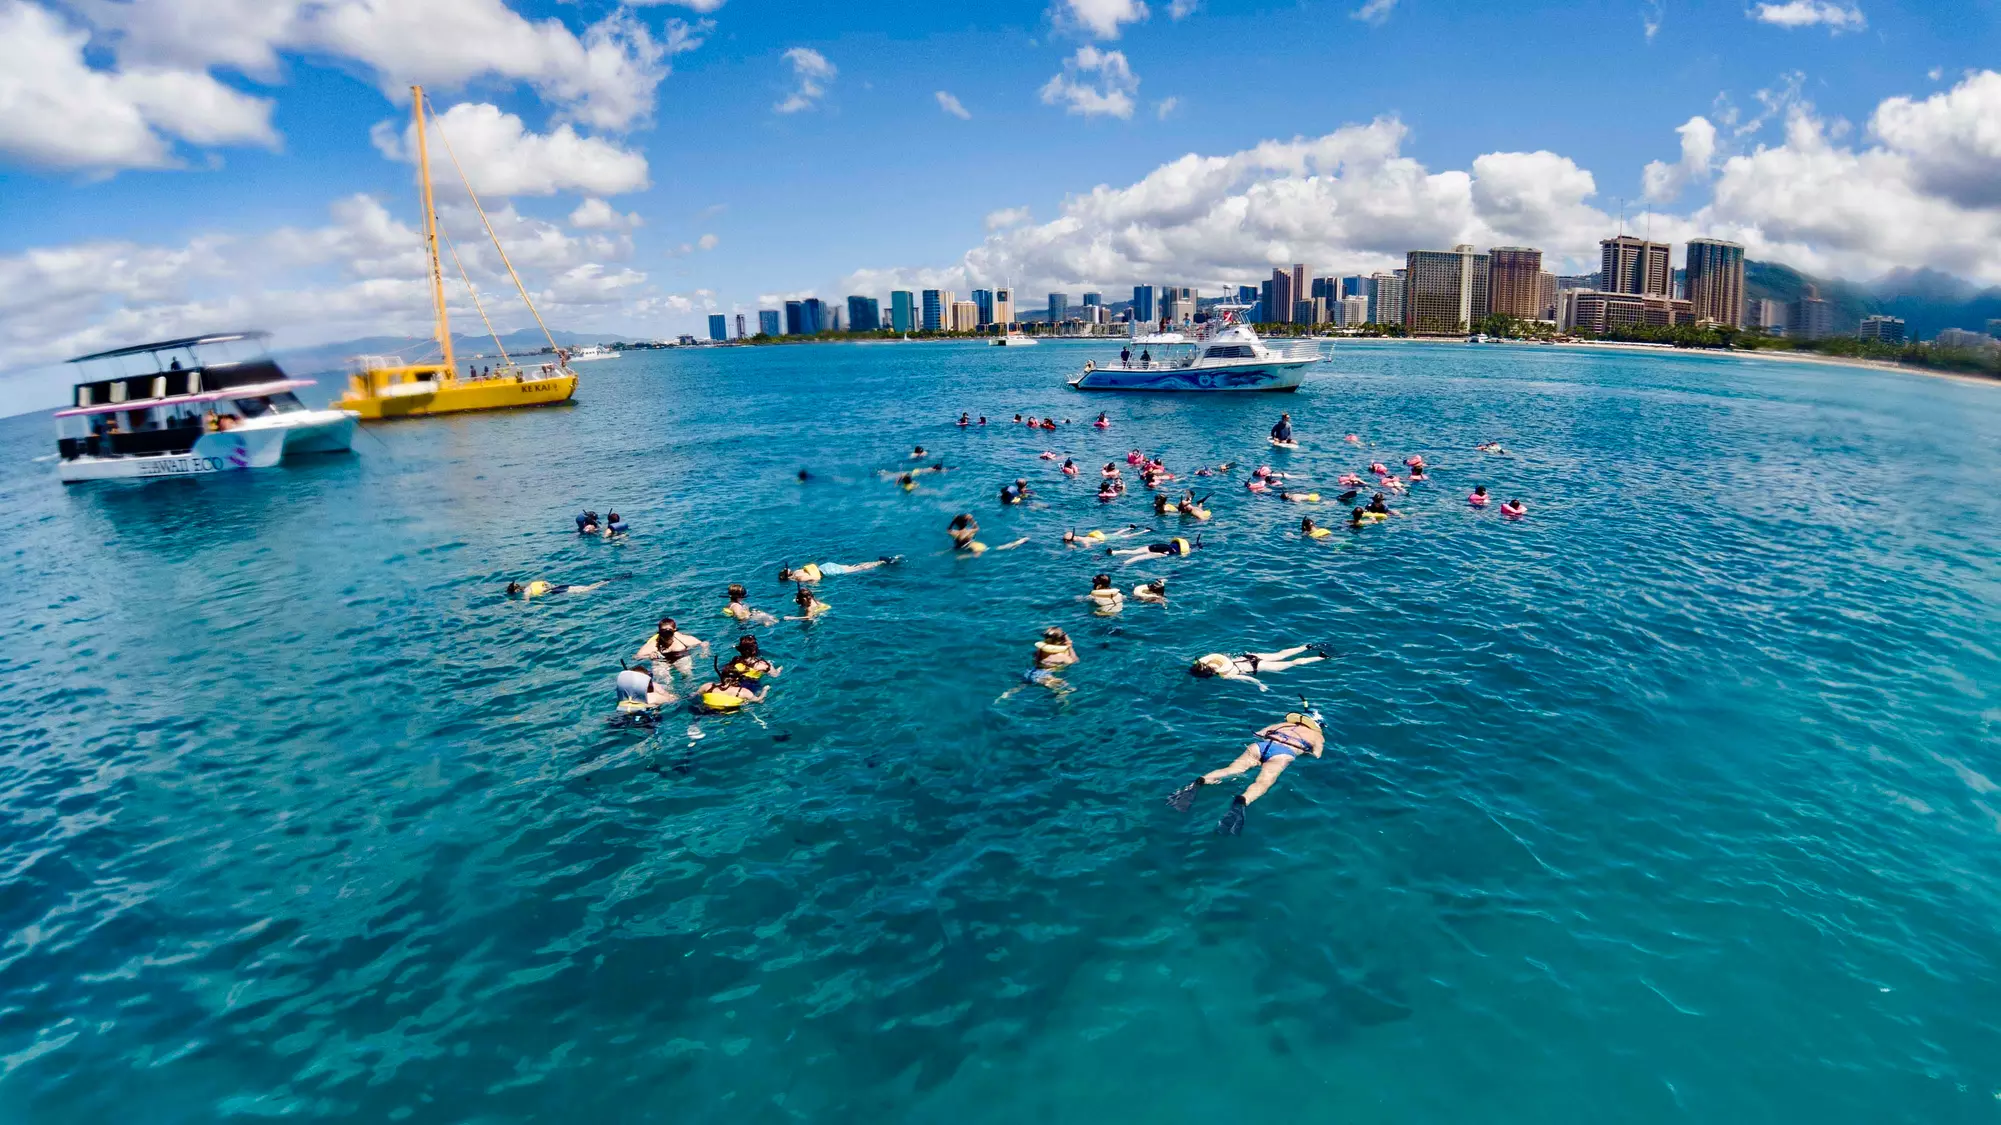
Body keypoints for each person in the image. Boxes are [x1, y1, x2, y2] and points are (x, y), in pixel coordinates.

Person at [1165, 710, 1328, 835]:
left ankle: (1198, 783)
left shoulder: (1279, 725)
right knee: (1262, 782)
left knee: (1232, 770)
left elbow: (1260, 733)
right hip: (1282, 754)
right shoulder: (1317, 735)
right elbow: (1317, 756)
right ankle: (1242, 802)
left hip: (1259, 747)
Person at [1188, 645, 1328, 690]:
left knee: (1292, 663)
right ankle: (1307, 646)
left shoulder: (1225, 675)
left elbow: (1247, 679)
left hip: (1258, 666)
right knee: (1280, 654)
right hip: (1250, 657)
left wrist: (1260, 684)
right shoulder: (1215, 661)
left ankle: (1321, 657)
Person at [636, 617, 705, 677]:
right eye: (663, 632)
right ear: (659, 632)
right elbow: (636, 657)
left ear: (674, 631)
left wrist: (704, 652)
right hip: (662, 660)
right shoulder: (654, 644)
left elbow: (704, 643)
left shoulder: (682, 639)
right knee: (663, 678)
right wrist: (649, 656)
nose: (666, 636)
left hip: (681, 657)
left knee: (686, 673)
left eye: (669, 632)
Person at [1021, 627, 1078, 692]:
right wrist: (1070, 647)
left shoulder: (1040, 650)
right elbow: (1075, 661)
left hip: (1029, 672)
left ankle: (1008, 693)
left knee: (1021, 687)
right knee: (1069, 688)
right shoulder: (1060, 656)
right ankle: (1061, 697)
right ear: (1061, 640)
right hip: (1042, 676)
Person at [1107, 535, 1202, 565]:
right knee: (1138, 557)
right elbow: (1183, 554)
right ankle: (1124, 563)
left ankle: (1115, 552)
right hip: (1164, 552)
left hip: (1157, 546)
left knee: (1133, 552)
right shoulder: (1186, 548)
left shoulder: (1179, 543)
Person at [506, 579, 605, 599]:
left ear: (517, 590)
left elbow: (526, 601)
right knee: (585, 588)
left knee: (586, 590)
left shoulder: (527, 592)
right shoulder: (532, 583)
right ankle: (604, 582)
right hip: (558, 586)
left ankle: (603, 583)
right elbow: (546, 583)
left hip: (555, 591)